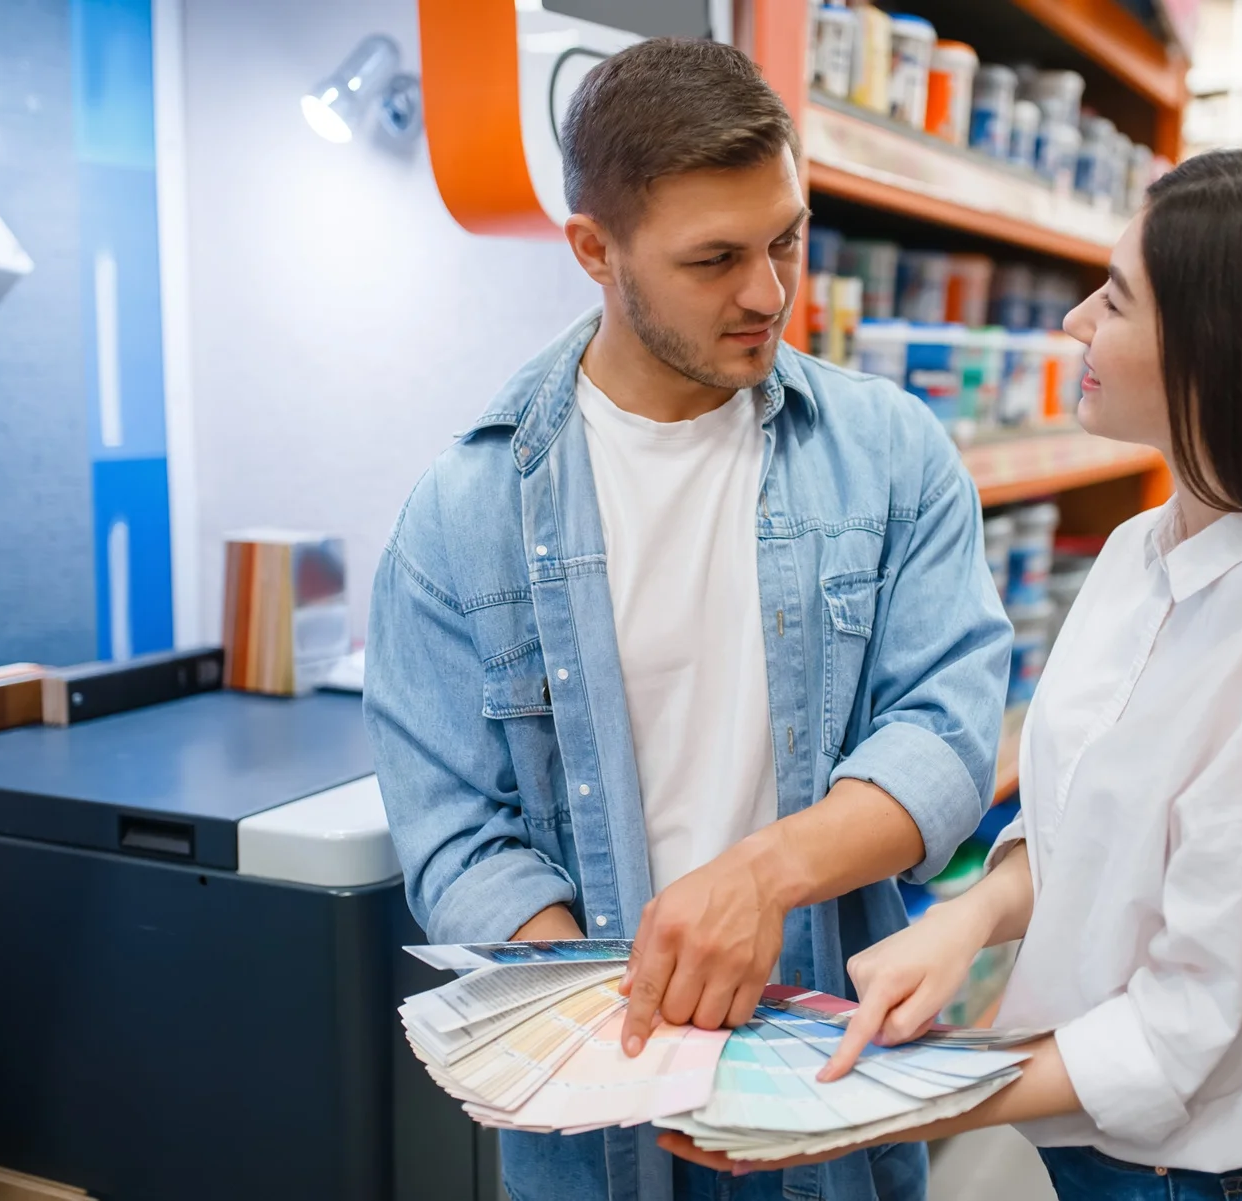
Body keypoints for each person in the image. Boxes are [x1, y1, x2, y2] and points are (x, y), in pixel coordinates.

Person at [665, 147, 1242, 1201]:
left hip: (1207, 1179)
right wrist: (970, 916)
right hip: (1104, 1161)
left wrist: (879, 1102)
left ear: (1227, 350)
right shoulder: (1139, 555)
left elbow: (1187, 1028)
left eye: (1117, 300)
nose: (1077, 322)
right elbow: (1091, 831)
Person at [364, 37, 1013, 1201]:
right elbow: (454, 829)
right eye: (715, 258)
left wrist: (759, 879)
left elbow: (950, 730)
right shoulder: (463, 517)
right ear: (594, 251)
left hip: (829, 1080)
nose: (767, 292)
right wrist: (613, 995)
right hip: (597, 1112)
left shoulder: (889, 455)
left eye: (785, 240)